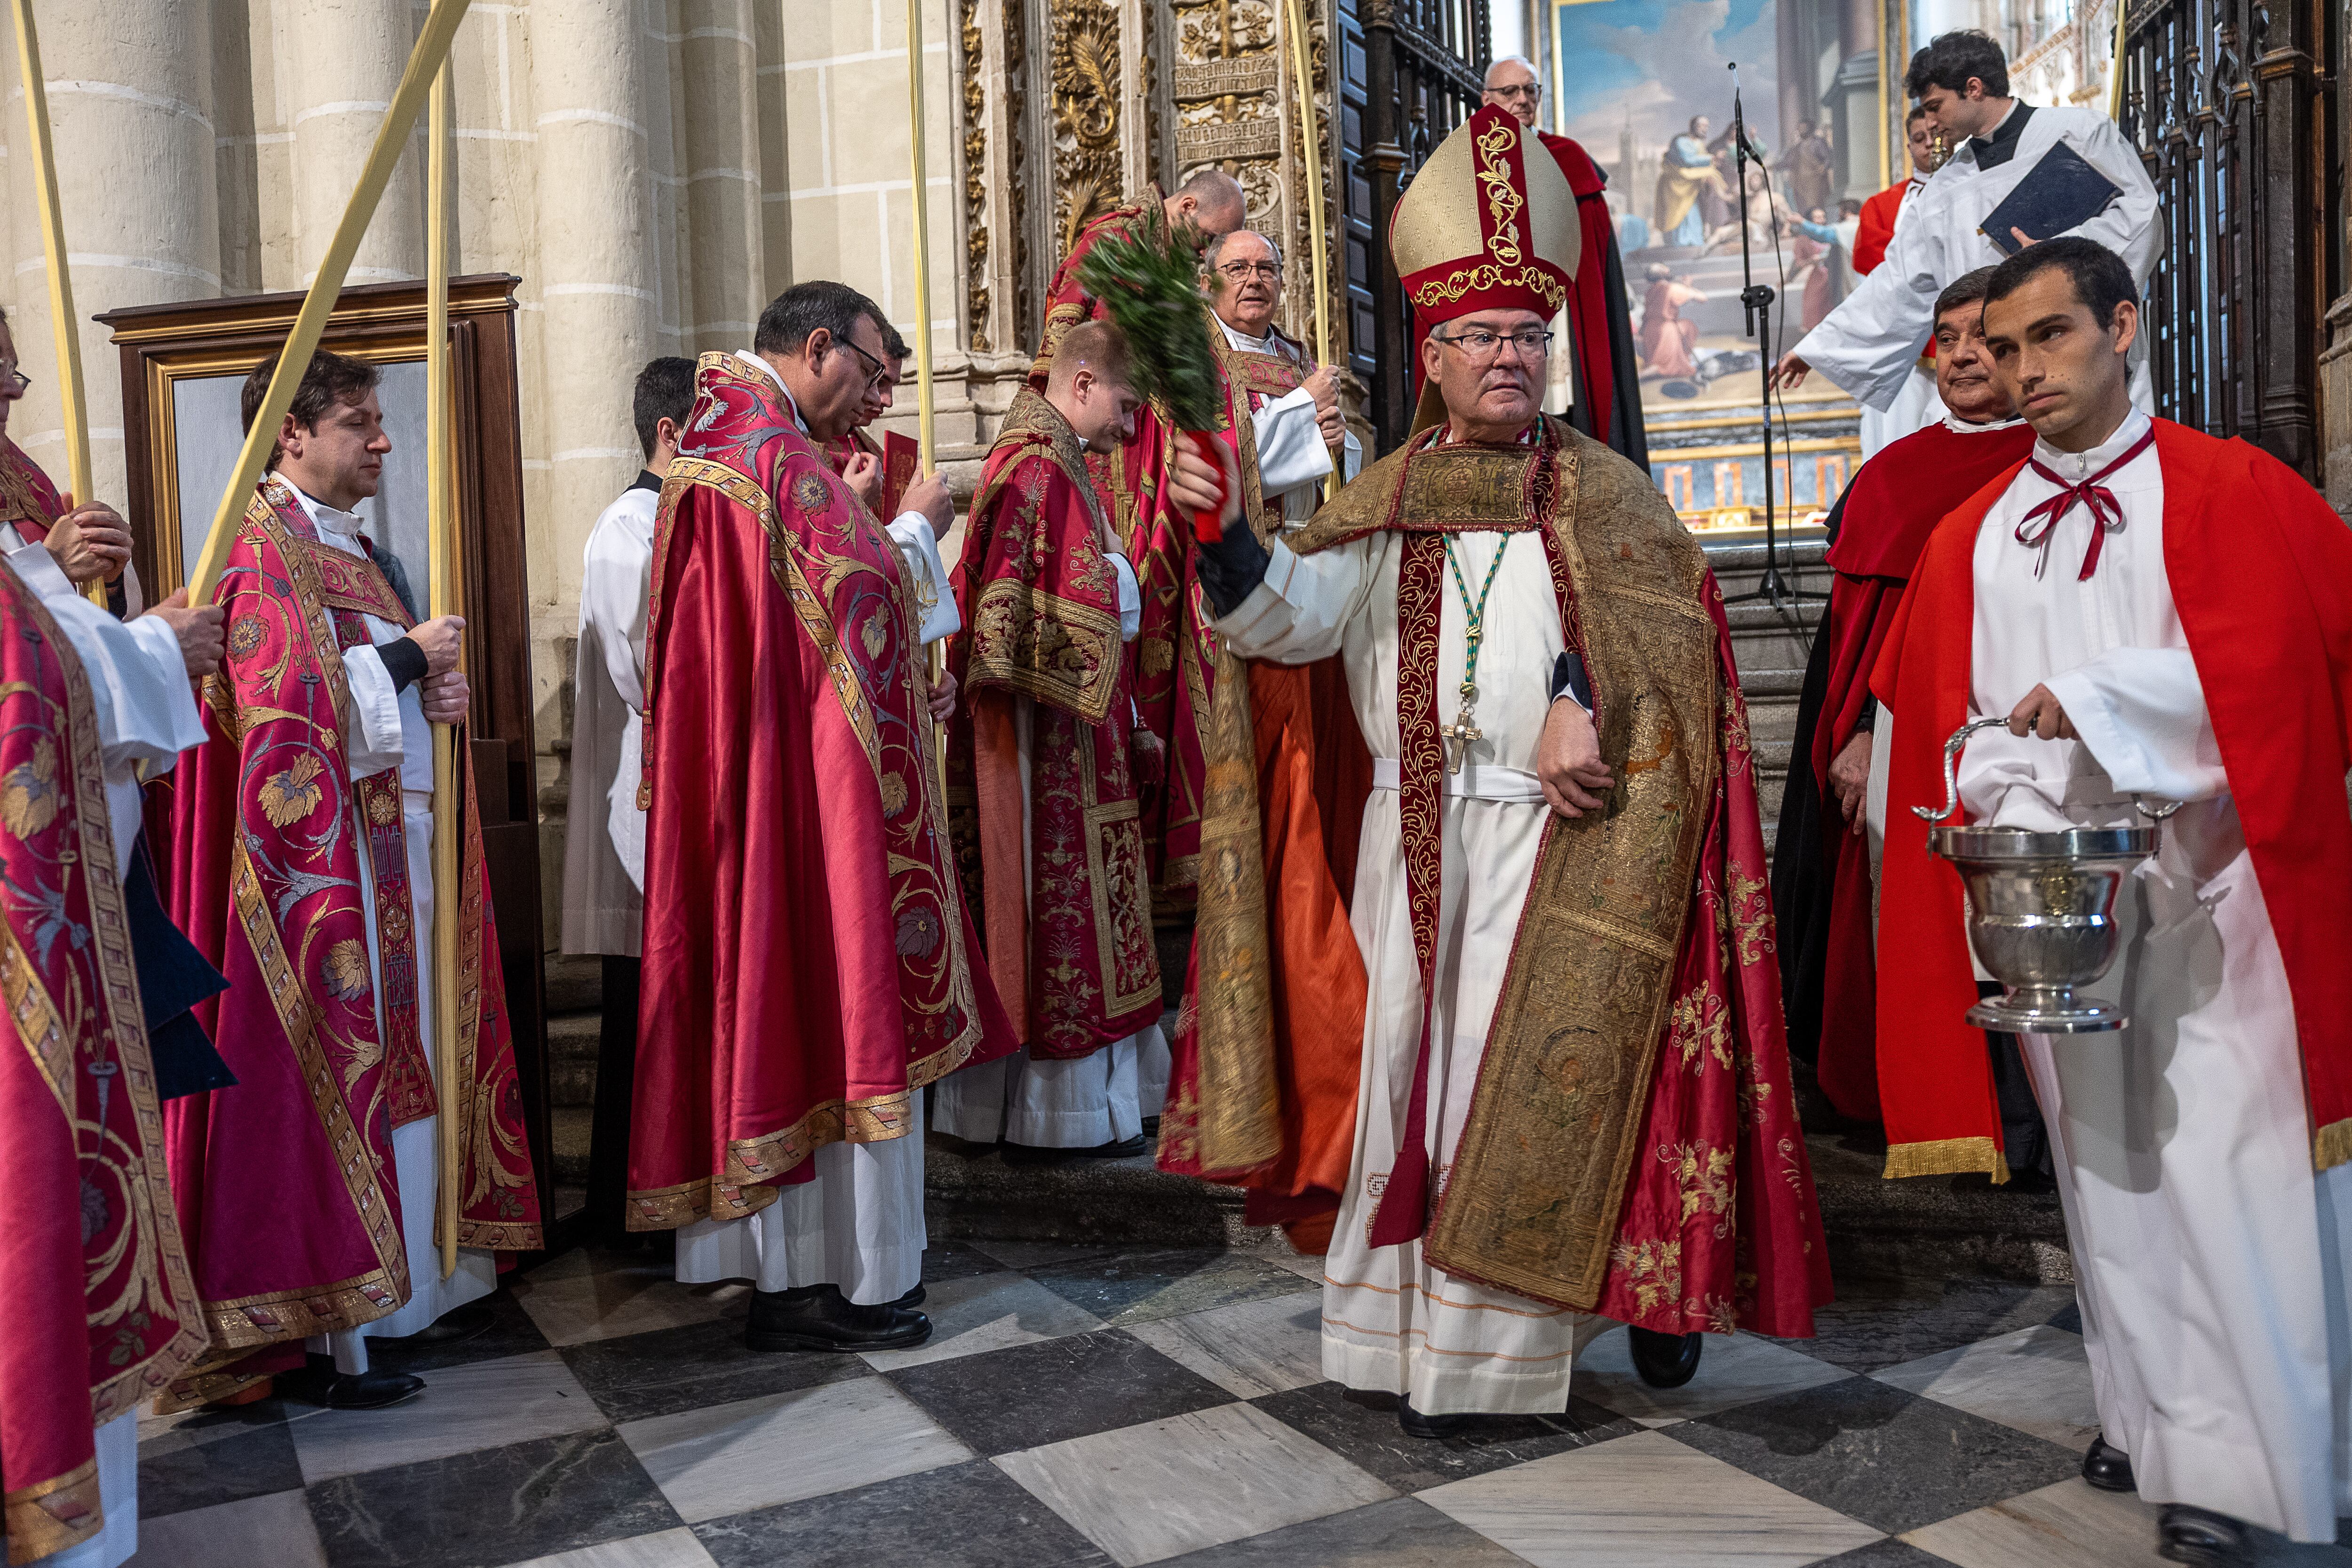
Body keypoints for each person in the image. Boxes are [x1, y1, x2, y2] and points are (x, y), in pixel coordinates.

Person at [1167, 105, 1830, 1433]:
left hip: (1561, 837)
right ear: (1435, 353)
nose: (1509, 355)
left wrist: (1586, 702)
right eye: (1481, 336)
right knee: (1409, 1074)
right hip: (1409, 837)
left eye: (1529, 334)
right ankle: (1397, 1340)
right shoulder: (1386, 497)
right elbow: (1291, 620)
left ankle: (1508, 1351)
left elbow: (1672, 660)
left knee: (1512, 1076)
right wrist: (1229, 540)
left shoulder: (1611, 496)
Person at [1873, 236, 2352, 1565]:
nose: (2023, 368)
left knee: (2229, 1167)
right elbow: (1948, 738)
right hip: (2058, 904)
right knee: (2109, 1178)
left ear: (2123, 326)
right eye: (2001, 347)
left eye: (2051, 336)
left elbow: (2293, 680)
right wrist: (2015, 795)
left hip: (2219, 888)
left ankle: (2251, 1469)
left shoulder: (2232, 487)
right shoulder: (1972, 538)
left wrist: (2098, 701)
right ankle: (2153, 1422)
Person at [627, 281, 1014, 1353]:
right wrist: (921, 527)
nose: (878, 400)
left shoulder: (736, 446)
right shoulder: (770, 457)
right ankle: (839, 1279)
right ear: (816, 347)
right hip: (801, 804)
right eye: (873, 374)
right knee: (835, 1004)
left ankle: (796, 1273)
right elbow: (861, 594)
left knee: (789, 1008)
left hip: (776, 787)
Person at [159, 348, 543, 1413]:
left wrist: (435, 701)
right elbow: (282, 705)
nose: (382, 439)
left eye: (380, 419)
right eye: (358, 421)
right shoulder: (256, 548)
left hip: (396, 847)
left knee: (410, 1063)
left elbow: (371, 696)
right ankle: (339, 1328)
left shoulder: (363, 557)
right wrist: (410, 662)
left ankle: (407, 1295)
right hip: (320, 868)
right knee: (346, 1067)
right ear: (291, 433)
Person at [0, 304, 224, 1568]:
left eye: (13, 371)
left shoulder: (24, 487)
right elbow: (23, 694)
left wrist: (113, 594)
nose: (13, 397)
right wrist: (150, 649)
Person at [1771, 266, 2031, 1127]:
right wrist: (1858, 731)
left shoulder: (2056, 465)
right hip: (1896, 739)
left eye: (1982, 337)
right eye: (1946, 339)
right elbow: (1853, 644)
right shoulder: (1893, 476)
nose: (1962, 356)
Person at [931, 321, 1161, 1160]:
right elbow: (1029, 610)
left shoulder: (1050, 459)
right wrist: (1125, 574)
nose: (1129, 429)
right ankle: (1058, 1113)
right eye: (1126, 407)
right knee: (1054, 911)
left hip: (1062, 725)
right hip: (1043, 737)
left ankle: (1054, 1106)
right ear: (1084, 381)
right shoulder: (1039, 468)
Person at [1773, 30, 2161, 413]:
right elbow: (1899, 282)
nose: (1931, 122)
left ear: (1974, 89)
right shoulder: (1944, 187)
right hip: (1994, 373)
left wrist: (2058, 258)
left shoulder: (2080, 132)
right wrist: (1820, 347)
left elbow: (2141, 218)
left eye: (1935, 106)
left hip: (2079, 345)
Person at [562, 356, 693, 1243]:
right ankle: (628, 1208)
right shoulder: (628, 525)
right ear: (670, 434)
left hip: (678, 797)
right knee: (642, 1012)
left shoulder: (685, 520)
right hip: (642, 805)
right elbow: (648, 667)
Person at [1480, 56, 1648, 466]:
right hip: (1496, 310)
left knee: (1566, 414)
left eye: (1530, 90)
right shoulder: (1467, 166)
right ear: (1486, 100)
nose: (1523, 99)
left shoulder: (1567, 158)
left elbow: (1593, 252)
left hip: (1559, 311)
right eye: (1510, 91)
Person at [0, 313, 143, 611]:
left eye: (11, 371)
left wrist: (107, 578)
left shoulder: (17, 473)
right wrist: (52, 565)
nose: (15, 390)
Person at [1851, 109, 1947, 456]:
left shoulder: (1974, 191)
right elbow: (1874, 260)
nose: (1930, 145)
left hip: (1960, 333)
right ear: (1909, 147)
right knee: (1900, 436)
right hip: (1902, 342)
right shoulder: (1882, 206)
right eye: (1920, 139)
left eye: (1937, 136)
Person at [825, 321, 918, 521]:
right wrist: (853, 502)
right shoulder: (800, 446)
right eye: (879, 381)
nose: (887, 401)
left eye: (892, 386)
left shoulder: (876, 452)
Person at [1653, 115, 1729, 248]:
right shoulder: (1682, 141)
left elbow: (1703, 166)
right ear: (1694, 126)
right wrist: (1712, 159)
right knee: (1679, 215)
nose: (1705, 129)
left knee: (1693, 215)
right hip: (1676, 186)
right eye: (1702, 126)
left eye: (1707, 127)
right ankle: (1680, 244)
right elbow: (1688, 161)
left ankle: (1694, 242)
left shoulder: (1699, 144)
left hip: (1690, 188)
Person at [1638, 265, 1706, 379]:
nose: (1669, 270)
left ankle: (1683, 357)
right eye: (1666, 269)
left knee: (1688, 325)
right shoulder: (1671, 288)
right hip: (1665, 331)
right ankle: (1639, 377)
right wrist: (1688, 286)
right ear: (1663, 274)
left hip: (1650, 330)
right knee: (1661, 365)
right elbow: (1703, 298)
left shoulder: (1651, 290)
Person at [1776, 119, 1836, 217]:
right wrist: (1773, 166)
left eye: (1804, 128)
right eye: (1800, 128)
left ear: (1810, 128)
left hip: (1815, 182)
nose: (1801, 130)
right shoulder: (1797, 147)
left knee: (1816, 208)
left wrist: (1823, 168)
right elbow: (1787, 161)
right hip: (1800, 183)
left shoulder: (1818, 143)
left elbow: (1828, 158)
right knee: (1803, 209)